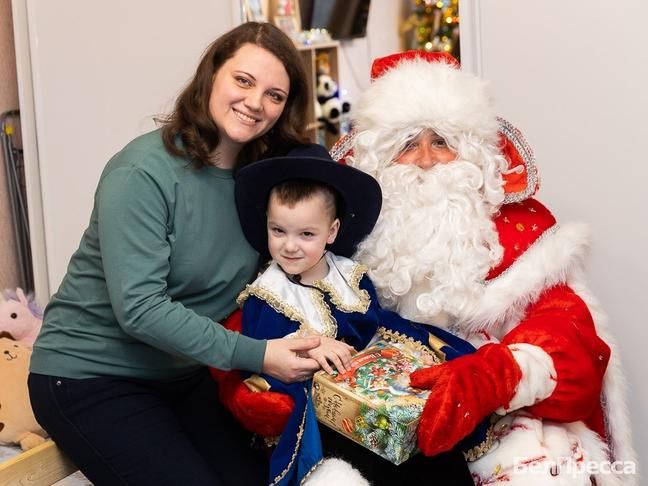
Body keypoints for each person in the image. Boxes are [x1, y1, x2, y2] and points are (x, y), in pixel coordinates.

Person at [27, 22, 326, 486]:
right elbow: (140, 309)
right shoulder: (142, 172)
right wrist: (259, 355)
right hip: (91, 374)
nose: (255, 102)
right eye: (243, 80)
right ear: (211, 77)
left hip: (185, 372)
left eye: (274, 95)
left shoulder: (263, 182)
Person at [330, 50, 637, 485]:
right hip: (387, 419)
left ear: (472, 152)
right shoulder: (347, 239)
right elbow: (290, 309)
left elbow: (570, 335)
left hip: (507, 420)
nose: (425, 159)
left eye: (441, 142)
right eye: (406, 145)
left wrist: (499, 375)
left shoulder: (517, 231)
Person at [214, 143, 476, 485]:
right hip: (324, 410)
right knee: (377, 461)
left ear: (332, 231)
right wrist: (311, 346)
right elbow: (263, 355)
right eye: (279, 231)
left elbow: (378, 323)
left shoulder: (349, 275)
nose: (290, 246)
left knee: (437, 449)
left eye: (307, 234)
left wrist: (415, 354)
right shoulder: (266, 294)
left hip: (378, 388)